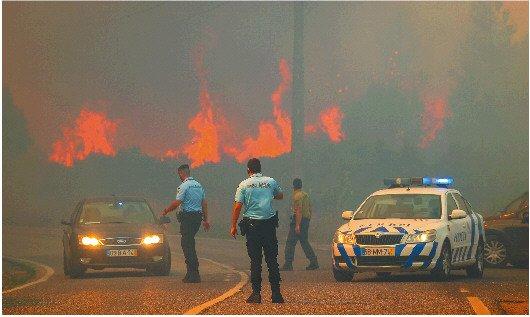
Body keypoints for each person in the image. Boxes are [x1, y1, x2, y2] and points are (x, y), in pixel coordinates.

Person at [230, 158, 285, 304]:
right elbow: (280, 195)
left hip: (252, 227)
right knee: (272, 259)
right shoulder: (270, 182)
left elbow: (237, 207)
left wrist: (233, 225)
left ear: (248, 170)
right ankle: (276, 294)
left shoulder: (244, 184)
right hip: (269, 225)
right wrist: (267, 194)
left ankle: (256, 294)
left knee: (255, 260)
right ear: (260, 169)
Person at [160, 164, 210, 283]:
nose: (179, 176)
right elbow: (204, 204)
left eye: (179, 174)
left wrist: (166, 210)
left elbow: (177, 202)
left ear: (182, 173)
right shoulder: (198, 185)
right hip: (197, 218)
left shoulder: (183, 186)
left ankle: (193, 274)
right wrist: (206, 220)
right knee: (190, 243)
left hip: (188, 218)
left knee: (187, 245)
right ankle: (191, 273)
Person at [280, 178, 319, 271]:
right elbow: (310, 209)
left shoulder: (296, 196)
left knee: (290, 242)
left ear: (293, 186)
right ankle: (314, 262)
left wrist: (297, 225)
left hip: (298, 221)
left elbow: (298, 211)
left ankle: (288, 263)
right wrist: (307, 221)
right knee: (304, 242)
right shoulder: (306, 195)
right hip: (306, 220)